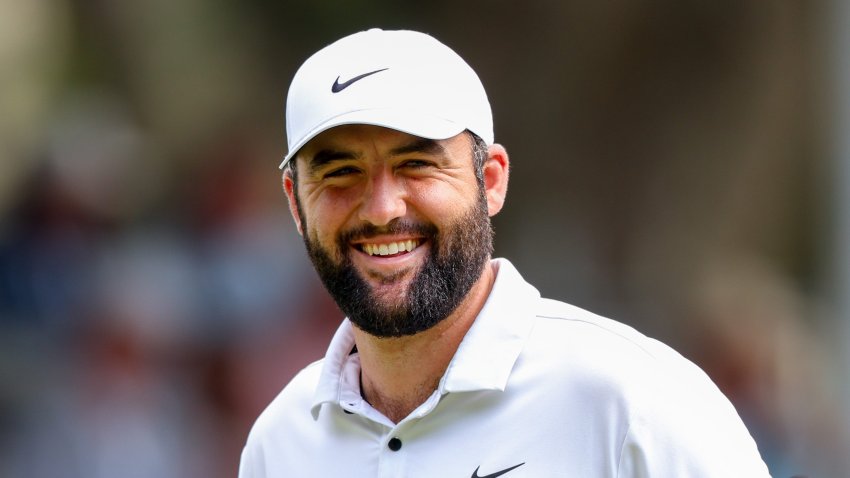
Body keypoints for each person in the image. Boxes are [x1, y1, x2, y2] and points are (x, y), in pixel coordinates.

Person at [238, 28, 770, 477]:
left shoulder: (635, 403)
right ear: (295, 202)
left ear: (490, 181)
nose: (380, 208)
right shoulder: (280, 443)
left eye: (417, 165)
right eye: (340, 172)